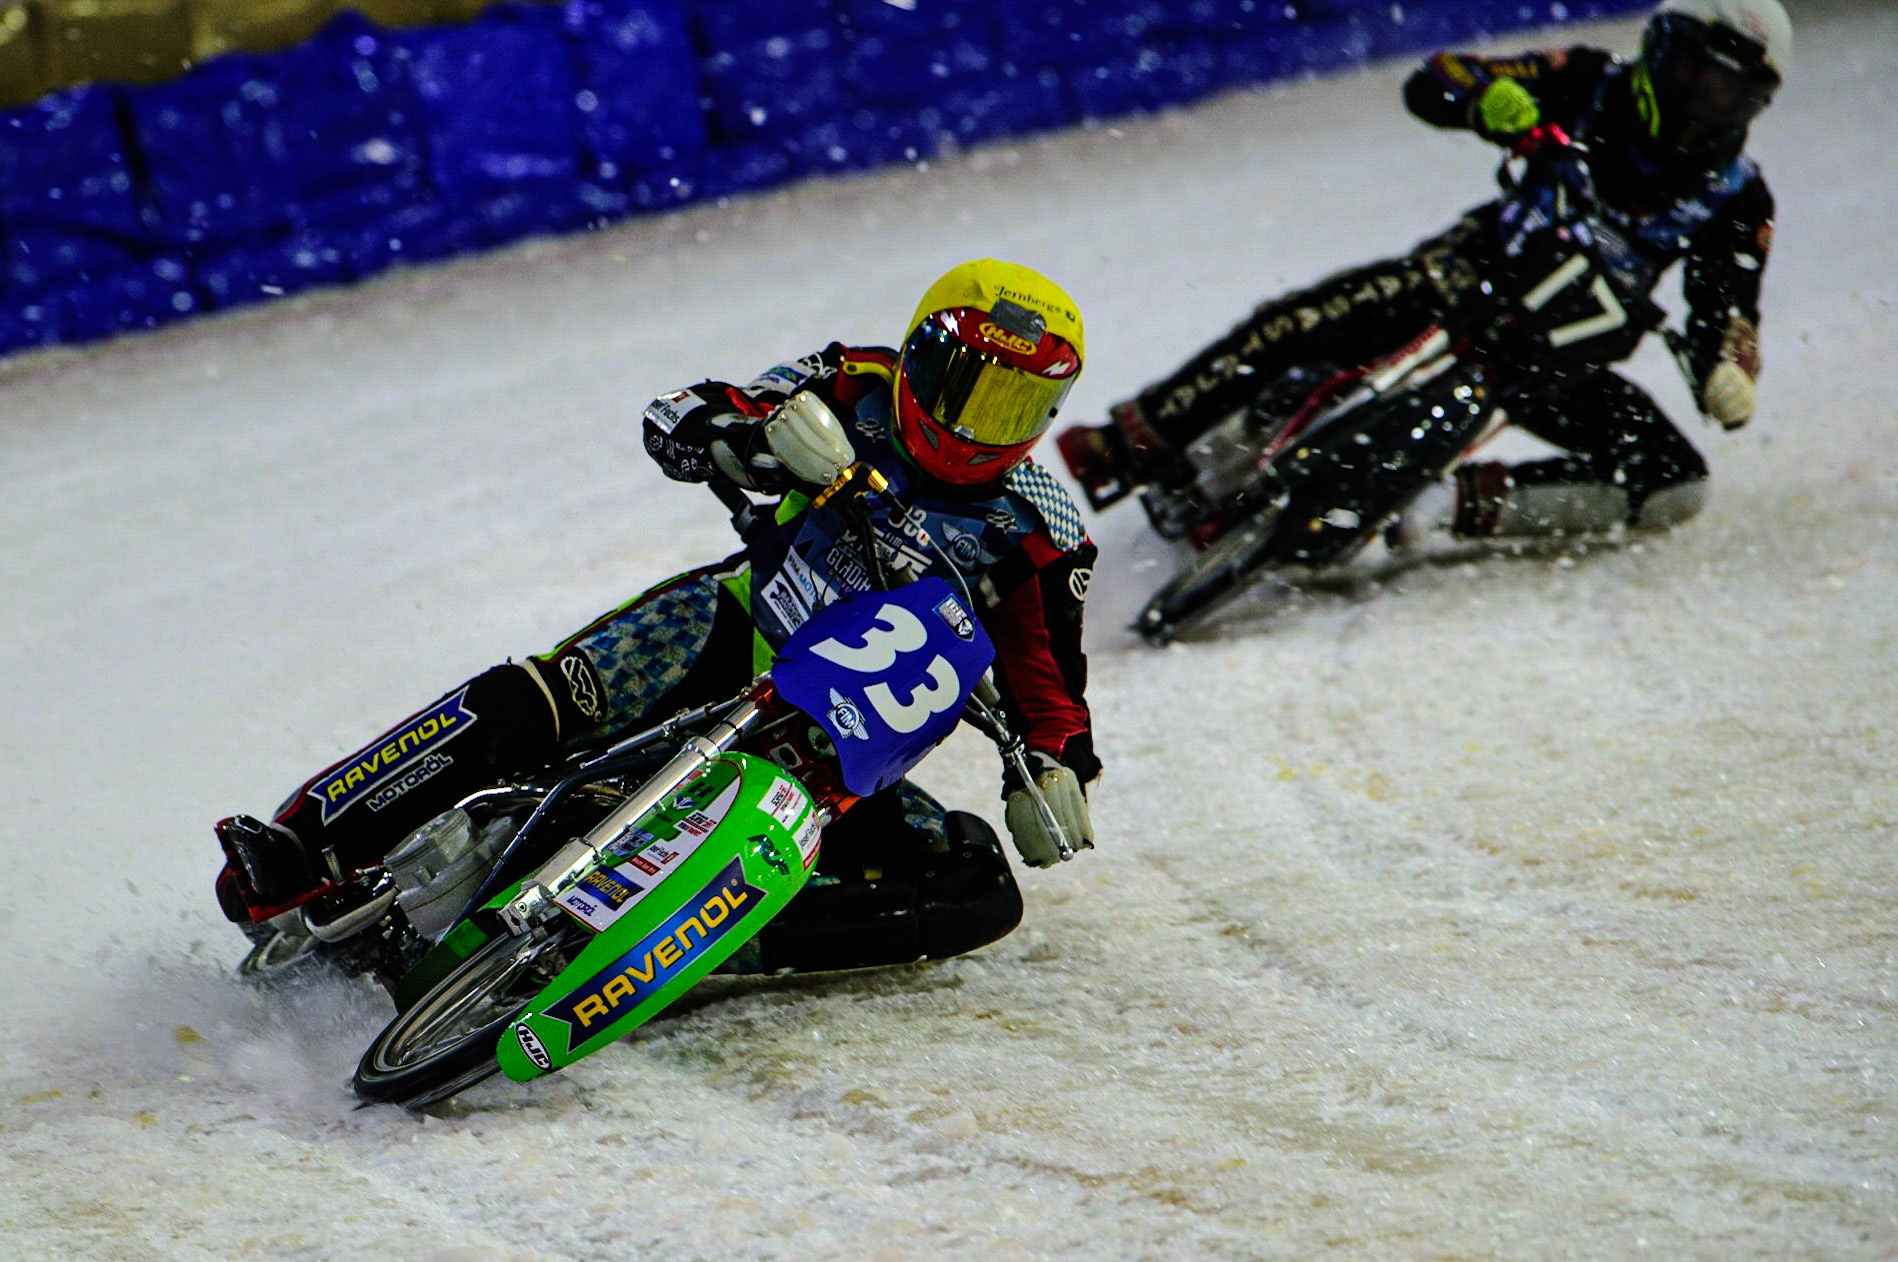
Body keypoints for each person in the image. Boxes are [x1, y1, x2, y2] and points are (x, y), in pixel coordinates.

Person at [214, 258, 1100, 973]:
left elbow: (1050, 688)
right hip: (729, 627)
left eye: (1013, 407)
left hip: (841, 741)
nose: (979, 427)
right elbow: (683, 415)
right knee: (542, 699)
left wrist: (1055, 771)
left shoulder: (1045, 531)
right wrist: (750, 440)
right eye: (967, 389)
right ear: (919, 358)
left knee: (975, 885)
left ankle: (696, 956)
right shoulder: (852, 379)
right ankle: (303, 843)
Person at [1060, 0, 1787, 547]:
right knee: (1303, 319)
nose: (1703, 102)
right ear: (1661, 51)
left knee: (1673, 483)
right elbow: (1437, 79)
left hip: (1555, 362)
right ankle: (1135, 440)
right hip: (1464, 276)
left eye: (1727, 91)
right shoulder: (1589, 79)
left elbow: (1726, 311)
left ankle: (1441, 508)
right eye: (1695, 75)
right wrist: (1483, 99)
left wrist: (1726, 372)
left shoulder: (1739, 199)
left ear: (1754, 103)